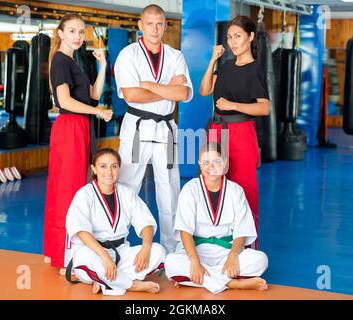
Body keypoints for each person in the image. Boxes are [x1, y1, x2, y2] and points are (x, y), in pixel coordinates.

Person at [114, 4, 193, 253]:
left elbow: (183, 92)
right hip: (138, 128)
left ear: (166, 25)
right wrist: (165, 87)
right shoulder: (128, 55)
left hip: (166, 129)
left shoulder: (175, 55)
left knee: (170, 188)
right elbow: (131, 95)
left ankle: (172, 250)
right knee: (128, 185)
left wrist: (149, 85)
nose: (155, 28)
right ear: (140, 25)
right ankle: (118, 242)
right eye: (150, 23)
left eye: (160, 23)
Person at [44, 13, 113, 272]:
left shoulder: (73, 62)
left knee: (71, 189)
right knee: (68, 192)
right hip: (70, 127)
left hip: (80, 127)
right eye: (72, 31)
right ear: (60, 33)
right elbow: (64, 101)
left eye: (81, 32)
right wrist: (97, 112)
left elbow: (93, 95)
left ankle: (54, 252)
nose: (78, 36)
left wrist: (103, 65)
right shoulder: (61, 61)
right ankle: (63, 256)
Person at [199, 16, 270, 249]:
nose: (232, 42)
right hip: (216, 131)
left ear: (250, 37)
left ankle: (248, 248)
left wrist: (234, 105)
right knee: (213, 184)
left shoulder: (255, 70)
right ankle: (216, 245)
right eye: (229, 37)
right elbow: (204, 90)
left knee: (244, 187)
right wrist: (212, 59)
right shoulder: (227, 66)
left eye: (238, 36)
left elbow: (264, 107)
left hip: (241, 132)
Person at [164, 142, 268, 294]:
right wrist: (194, 261)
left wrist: (233, 256)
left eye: (216, 161)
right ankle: (232, 283)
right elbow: (184, 231)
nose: (210, 167)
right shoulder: (190, 189)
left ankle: (197, 280)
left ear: (225, 163)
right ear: (199, 164)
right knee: (171, 262)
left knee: (261, 260)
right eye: (205, 162)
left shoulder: (235, 191)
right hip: (195, 250)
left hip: (226, 251)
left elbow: (242, 229)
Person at [65, 148, 165, 295]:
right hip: (95, 252)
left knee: (158, 251)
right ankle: (131, 284)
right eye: (103, 166)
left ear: (119, 168)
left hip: (121, 253)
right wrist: (104, 256)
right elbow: (81, 231)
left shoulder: (126, 193)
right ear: (93, 169)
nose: (109, 172)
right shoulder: (84, 195)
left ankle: (105, 281)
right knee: (83, 257)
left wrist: (146, 246)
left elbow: (146, 223)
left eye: (114, 166)